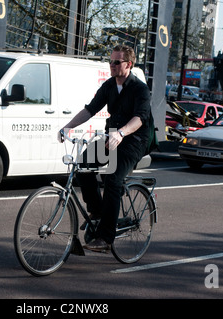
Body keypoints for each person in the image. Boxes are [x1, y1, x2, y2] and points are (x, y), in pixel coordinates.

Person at [58, 45, 151, 253]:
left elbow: (139, 119)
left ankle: (106, 237)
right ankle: (98, 211)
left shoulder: (140, 89)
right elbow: (90, 109)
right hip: (112, 137)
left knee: (113, 178)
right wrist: (67, 127)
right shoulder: (109, 86)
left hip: (134, 139)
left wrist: (121, 133)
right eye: (110, 62)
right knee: (82, 164)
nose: (112, 65)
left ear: (129, 64)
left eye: (117, 62)